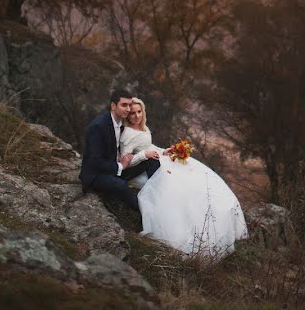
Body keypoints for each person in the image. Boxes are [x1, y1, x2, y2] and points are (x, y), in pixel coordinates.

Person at [120, 98, 248, 257]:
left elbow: (149, 147)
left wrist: (163, 152)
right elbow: (125, 161)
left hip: (153, 160)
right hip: (140, 171)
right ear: (127, 115)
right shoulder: (127, 134)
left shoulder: (142, 128)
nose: (137, 116)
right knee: (178, 184)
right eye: (132, 113)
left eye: (139, 112)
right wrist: (144, 155)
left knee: (193, 171)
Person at [78, 88, 161, 212]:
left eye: (129, 105)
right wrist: (121, 166)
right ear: (113, 106)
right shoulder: (98, 126)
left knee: (152, 160)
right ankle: (149, 213)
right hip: (96, 176)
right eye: (124, 105)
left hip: (114, 169)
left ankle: (157, 195)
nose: (128, 109)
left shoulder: (121, 124)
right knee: (121, 186)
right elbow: (94, 161)